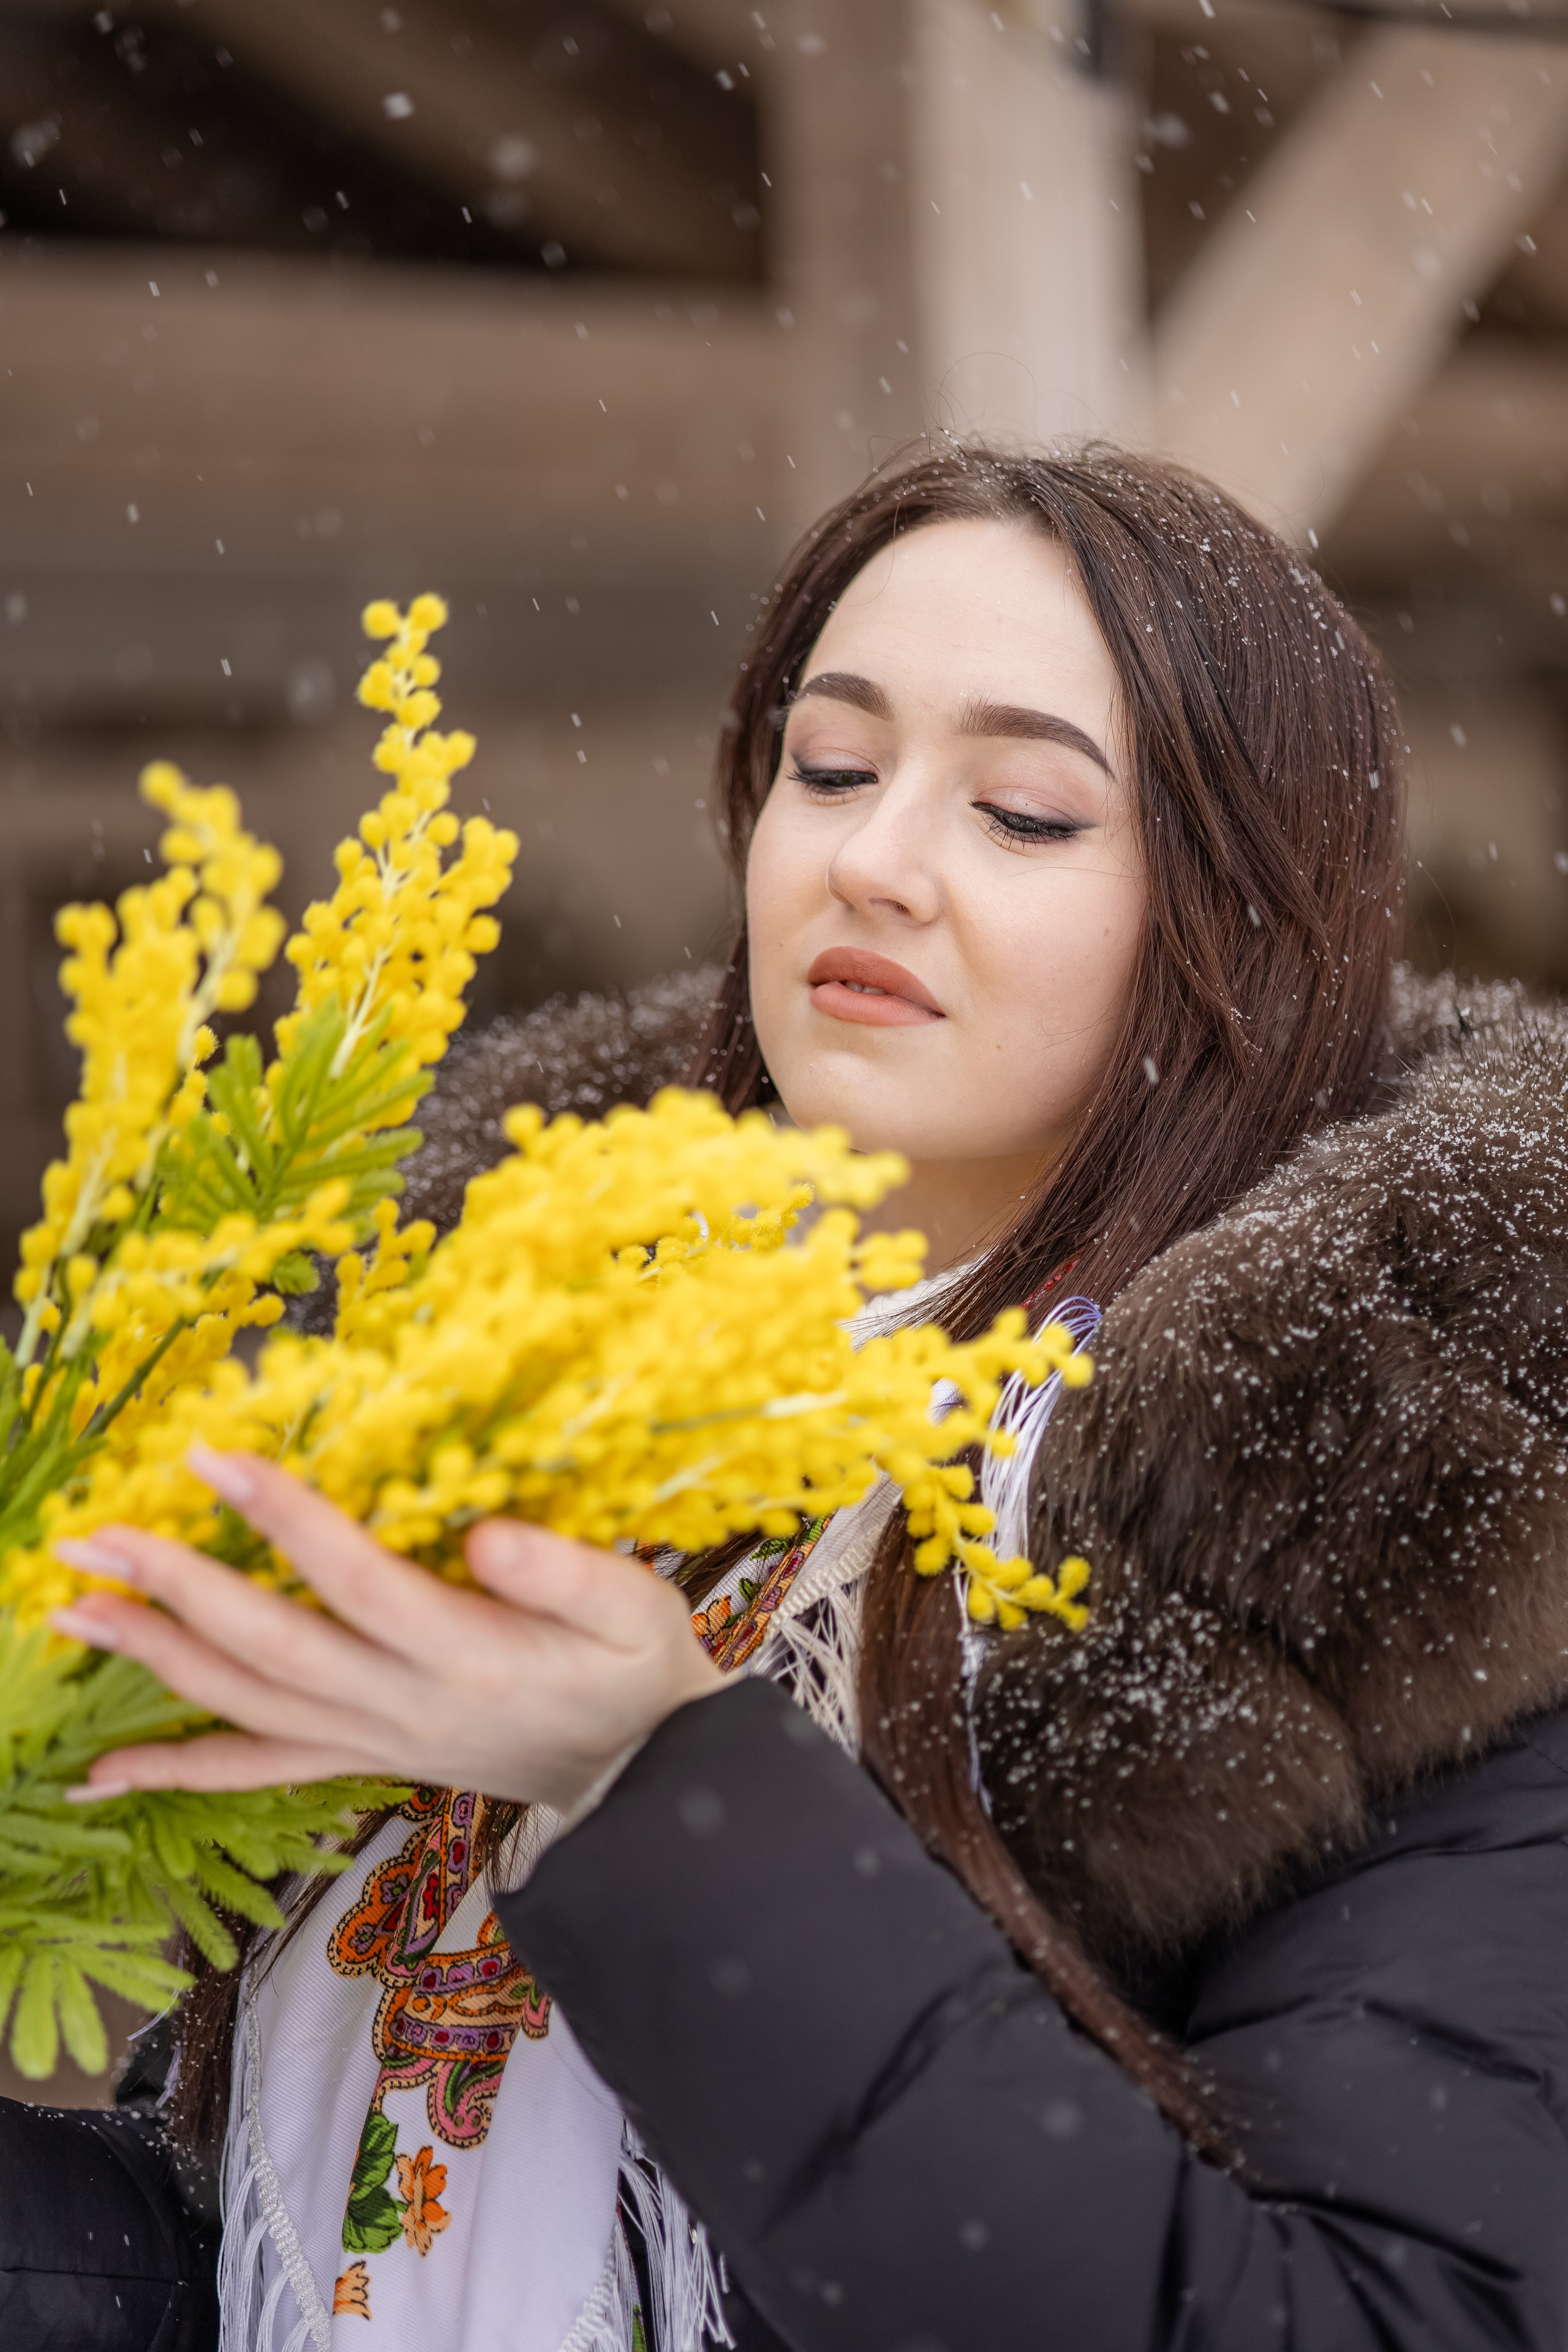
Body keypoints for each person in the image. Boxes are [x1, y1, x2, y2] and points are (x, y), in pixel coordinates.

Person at [6, 443, 1568, 2352]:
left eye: (1021, 811)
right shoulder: (496, 1412)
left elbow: (1358, 2325)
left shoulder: (1387, 1545)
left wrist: (655, 1788)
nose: (874, 860)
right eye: (830, 769)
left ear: (1244, 913)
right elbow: (313, 2246)